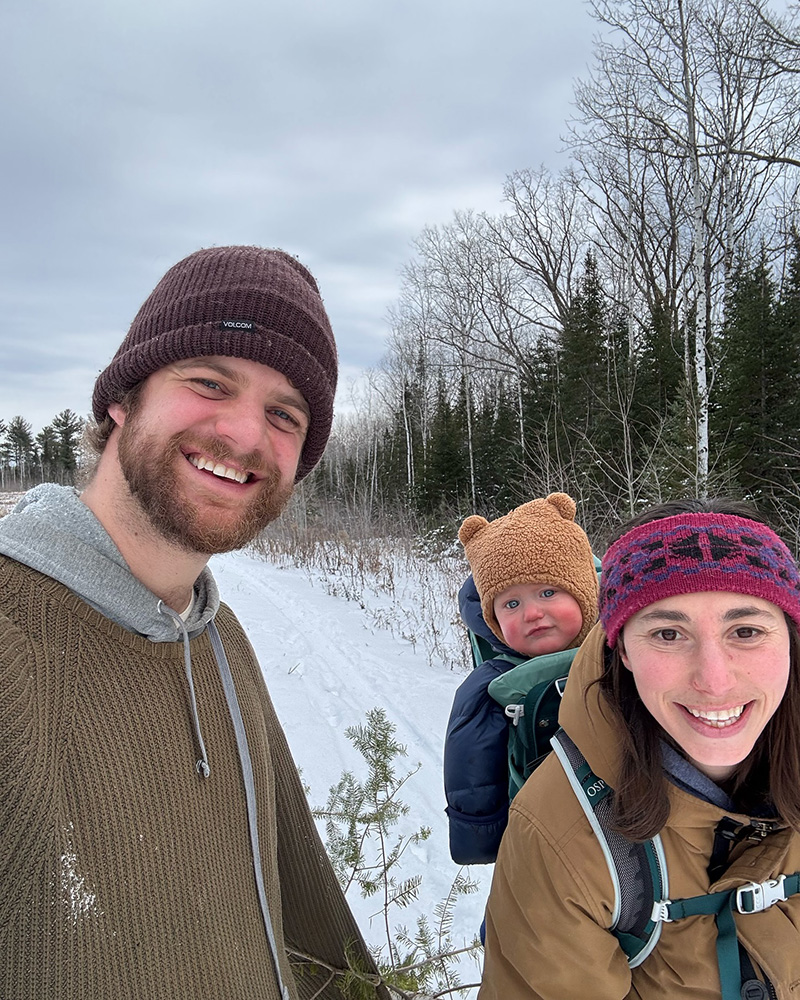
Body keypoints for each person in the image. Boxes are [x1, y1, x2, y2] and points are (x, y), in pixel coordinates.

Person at [0, 246, 388, 1000]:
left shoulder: (217, 637)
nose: (244, 436)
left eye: (284, 415)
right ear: (124, 398)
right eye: (210, 382)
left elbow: (305, 913)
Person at [479, 499, 800, 999]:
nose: (714, 680)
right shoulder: (558, 835)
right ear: (623, 649)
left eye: (746, 631)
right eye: (668, 633)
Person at [443, 493, 599, 865]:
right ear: (494, 620)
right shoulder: (492, 686)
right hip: (546, 842)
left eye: (548, 592)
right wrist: (481, 836)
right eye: (511, 604)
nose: (532, 613)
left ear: (584, 589)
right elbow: (470, 765)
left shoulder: (630, 642)